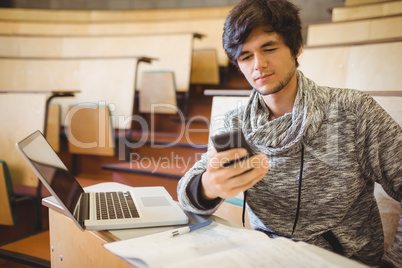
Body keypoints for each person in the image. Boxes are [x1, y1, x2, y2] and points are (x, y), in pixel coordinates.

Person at [177, 0, 402, 267]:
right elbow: (187, 191)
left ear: (296, 48)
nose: (258, 65)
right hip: (269, 259)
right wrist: (207, 186)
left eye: (269, 48)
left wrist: (394, 262)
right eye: (246, 56)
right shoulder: (235, 123)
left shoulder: (353, 111)